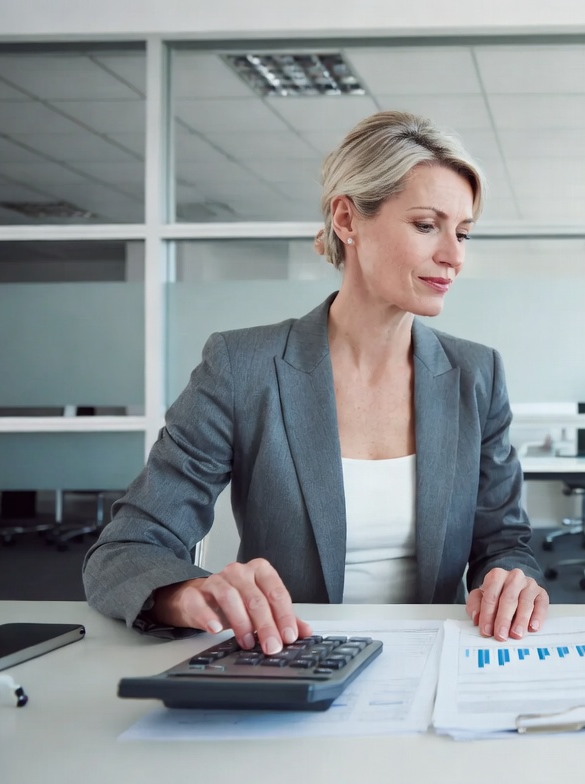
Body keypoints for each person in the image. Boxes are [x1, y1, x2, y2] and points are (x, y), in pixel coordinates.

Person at [84, 110, 548, 652]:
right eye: (427, 226)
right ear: (347, 221)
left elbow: (505, 543)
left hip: (435, 665)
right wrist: (189, 592)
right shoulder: (243, 366)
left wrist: (511, 580)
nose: (453, 255)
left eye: (463, 232)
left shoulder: (476, 375)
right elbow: (125, 549)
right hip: (290, 663)